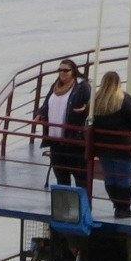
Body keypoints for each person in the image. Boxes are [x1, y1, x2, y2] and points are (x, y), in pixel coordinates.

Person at [87, 72, 131, 218]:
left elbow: (89, 120)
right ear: (118, 83)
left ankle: (116, 205)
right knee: (124, 178)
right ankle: (123, 209)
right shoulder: (123, 99)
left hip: (103, 147)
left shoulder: (96, 101)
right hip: (123, 147)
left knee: (110, 177)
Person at [42, 60, 89, 188]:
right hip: (56, 142)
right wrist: (39, 114)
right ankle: (65, 207)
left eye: (66, 70)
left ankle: (83, 207)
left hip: (74, 141)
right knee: (61, 178)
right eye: (60, 70)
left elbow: (90, 104)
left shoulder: (81, 86)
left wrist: (86, 108)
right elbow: (45, 104)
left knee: (80, 179)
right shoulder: (55, 86)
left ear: (73, 71)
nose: (62, 73)